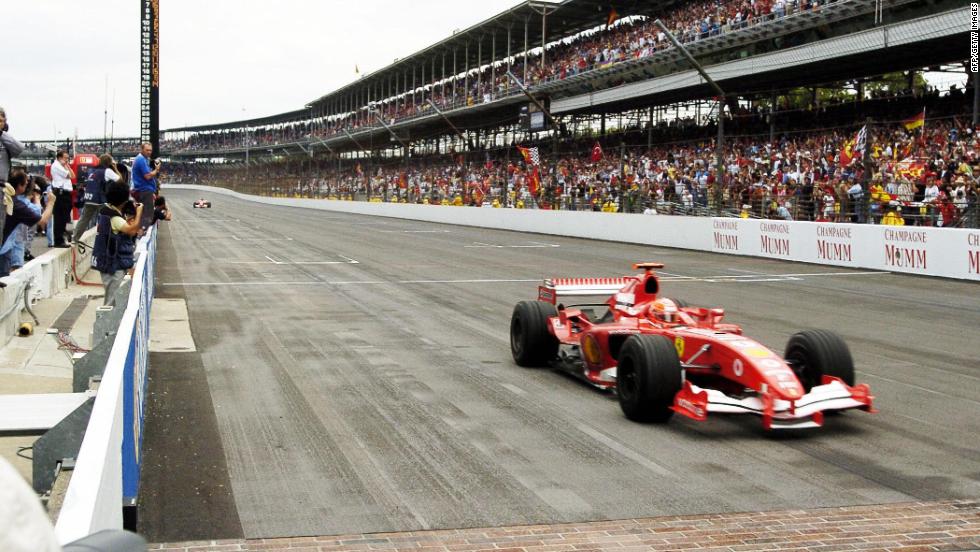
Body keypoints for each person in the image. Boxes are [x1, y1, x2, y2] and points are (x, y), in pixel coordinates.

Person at [92, 182, 142, 306]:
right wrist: (139, 212)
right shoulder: (114, 217)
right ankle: (108, 324)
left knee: (113, 300)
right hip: (112, 265)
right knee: (112, 302)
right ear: (123, 200)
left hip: (107, 262)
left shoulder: (106, 210)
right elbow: (132, 230)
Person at [1, 170, 55, 277]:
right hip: (6, 249)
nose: (28, 186)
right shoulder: (18, 205)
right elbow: (42, 220)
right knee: (9, 275)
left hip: (9, 245)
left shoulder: (4, 196)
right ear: (20, 186)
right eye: (26, 184)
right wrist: (50, 203)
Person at [72, 154, 120, 244]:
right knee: (109, 218)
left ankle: (74, 239)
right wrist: (115, 168)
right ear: (109, 163)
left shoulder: (91, 170)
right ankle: (108, 240)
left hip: (89, 198)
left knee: (84, 219)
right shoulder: (107, 171)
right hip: (100, 200)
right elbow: (119, 180)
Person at [0, 107, 25, 239]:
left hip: (1, 190)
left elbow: (19, 148)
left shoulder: (5, 140)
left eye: (1, 121)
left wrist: (1, 134)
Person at [49, 150, 75, 247]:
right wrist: (66, 166)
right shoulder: (56, 166)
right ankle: (58, 240)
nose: (67, 160)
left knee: (64, 217)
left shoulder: (62, 166)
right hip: (60, 193)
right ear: (59, 158)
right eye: (65, 158)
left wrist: (67, 165)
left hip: (65, 193)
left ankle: (62, 238)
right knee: (60, 218)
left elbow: (73, 175)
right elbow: (70, 175)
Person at [132, 142, 160, 230]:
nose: (149, 152)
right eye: (147, 150)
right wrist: (156, 170)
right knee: (148, 215)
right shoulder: (141, 159)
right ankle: (143, 233)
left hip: (144, 190)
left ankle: (141, 231)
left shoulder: (143, 159)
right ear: (142, 149)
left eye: (150, 150)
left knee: (144, 214)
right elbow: (147, 176)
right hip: (144, 190)